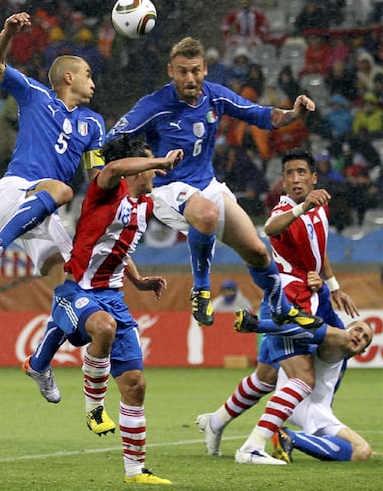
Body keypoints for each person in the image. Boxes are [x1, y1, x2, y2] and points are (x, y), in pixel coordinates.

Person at [105, 36, 322, 331]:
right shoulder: (155, 105)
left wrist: (294, 115)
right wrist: (104, 175)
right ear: (171, 71)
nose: (190, 78)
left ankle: (281, 309)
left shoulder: (216, 96)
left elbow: (260, 114)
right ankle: (201, 290)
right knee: (206, 214)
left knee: (257, 251)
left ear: (205, 69)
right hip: (168, 188)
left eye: (195, 70)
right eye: (183, 71)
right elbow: (112, 139)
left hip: (207, 185)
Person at [0, 12, 106, 403]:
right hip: (15, 192)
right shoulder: (36, 94)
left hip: (41, 216)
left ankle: (39, 361)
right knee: (62, 190)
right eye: (87, 75)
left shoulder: (94, 124)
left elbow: (96, 179)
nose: (93, 83)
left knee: (74, 291)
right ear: (68, 78)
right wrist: (8, 32)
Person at [196, 148, 358, 464]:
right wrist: (300, 210)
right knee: (302, 379)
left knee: (266, 377)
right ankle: (252, 447)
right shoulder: (285, 209)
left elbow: (318, 250)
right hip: (286, 299)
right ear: (282, 182)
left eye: (301, 172)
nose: (295, 179)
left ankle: (215, 421)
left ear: (314, 177)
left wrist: (332, 285)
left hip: (307, 295)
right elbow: (270, 228)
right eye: (289, 174)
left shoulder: (319, 207)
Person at [51, 136, 181, 484]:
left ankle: (135, 470)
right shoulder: (107, 188)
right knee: (104, 328)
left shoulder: (145, 205)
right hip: (77, 289)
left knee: (136, 385)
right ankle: (94, 407)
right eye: (149, 164)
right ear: (138, 166)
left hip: (114, 296)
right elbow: (113, 166)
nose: (154, 171)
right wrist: (161, 161)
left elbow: (117, 248)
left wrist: (138, 282)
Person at [271, 319, 373, 463]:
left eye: (365, 338)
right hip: (307, 407)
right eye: (357, 330)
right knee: (361, 450)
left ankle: (291, 438)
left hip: (306, 406)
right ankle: (290, 437)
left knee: (358, 451)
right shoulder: (334, 349)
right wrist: (329, 295)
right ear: (343, 331)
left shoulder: (341, 360)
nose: (359, 336)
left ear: (362, 351)